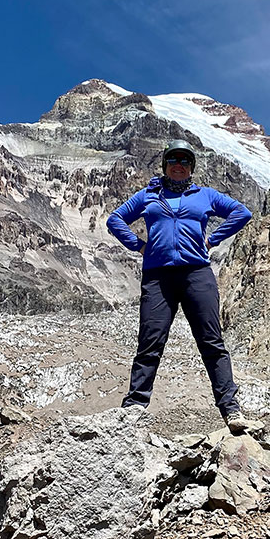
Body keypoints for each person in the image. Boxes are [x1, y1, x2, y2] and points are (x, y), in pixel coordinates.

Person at [106, 140, 253, 430]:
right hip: (158, 277)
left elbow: (242, 213)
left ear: (191, 167)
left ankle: (231, 409)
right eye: (173, 159)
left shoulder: (205, 195)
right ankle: (134, 408)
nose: (179, 164)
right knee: (150, 342)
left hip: (197, 273)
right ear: (165, 165)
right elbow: (115, 219)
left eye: (185, 160)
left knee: (211, 341)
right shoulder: (148, 195)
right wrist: (139, 245)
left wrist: (212, 240)